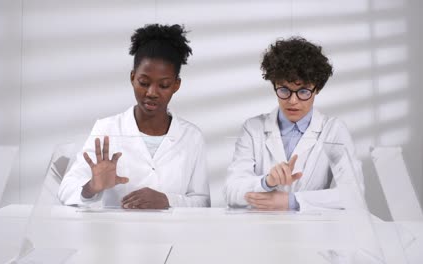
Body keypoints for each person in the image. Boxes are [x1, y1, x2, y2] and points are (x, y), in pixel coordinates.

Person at [58, 24, 210, 209]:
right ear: (132, 77)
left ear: (176, 85)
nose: (152, 92)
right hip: (118, 236)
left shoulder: (191, 136)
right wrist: (91, 187)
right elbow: (66, 189)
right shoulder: (107, 129)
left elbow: (202, 202)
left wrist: (167, 201)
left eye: (164, 85)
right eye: (144, 82)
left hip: (172, 237)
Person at [224, 37, 363, 211]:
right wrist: (266, 182)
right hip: (261, 230)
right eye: (284, 90)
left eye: (303, 91)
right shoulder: (253, 128)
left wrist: (292, 201)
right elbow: (231, 192)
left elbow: (354, 194)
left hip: (313, 231)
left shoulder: (333, 130)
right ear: (274, 85)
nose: (293, 101)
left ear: (317, 88)